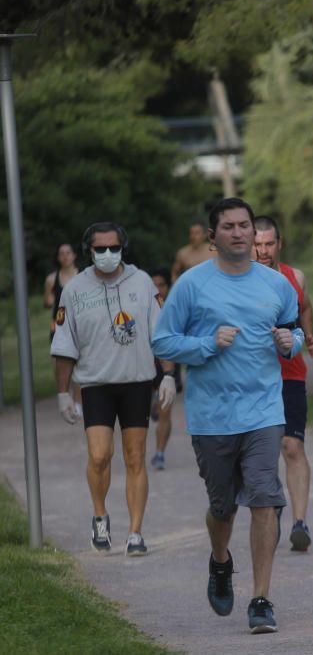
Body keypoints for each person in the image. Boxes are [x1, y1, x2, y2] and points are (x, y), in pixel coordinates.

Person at [153, 198, 303, 634]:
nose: (239, 233)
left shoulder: (276, 285)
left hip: (263, 411)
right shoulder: (192, 285)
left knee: (264, 499)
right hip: (211, 415)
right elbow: (163, 341)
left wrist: (287, 341)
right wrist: (204, 345)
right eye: (230, 227)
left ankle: (261, 599)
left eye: (245, 226)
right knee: (222, 507)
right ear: (213, 235)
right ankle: (220, 561)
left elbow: (294, 330)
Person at [50, 222, 176, 557]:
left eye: (114, 248)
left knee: (135, 457)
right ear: (88, 251)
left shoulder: (142, 282)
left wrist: (167, 374)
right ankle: (100, 514)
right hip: (96, 384)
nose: (108, 255)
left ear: (123, 248)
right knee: (100, 455)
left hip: (135, 381)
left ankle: (135, 532)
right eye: (100, 249)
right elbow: (63, 347)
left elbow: (160, 333)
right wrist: (63, 393)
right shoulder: (75, 290)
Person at [253, 215, 313, 552]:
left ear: (279, 243)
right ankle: (269, 510)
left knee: (292, 447)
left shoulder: (294, 277)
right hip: (252, 378)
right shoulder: (238, 279)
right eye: (257, 244)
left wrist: (309, 336)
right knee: (262, 451)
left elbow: (305, 306)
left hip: (290, 374)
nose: (263, 251)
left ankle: (300, 522)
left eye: (269, 243)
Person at [44, 242, 82, 418]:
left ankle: (78, 402)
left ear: (74, 255)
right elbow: (48, 302)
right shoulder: (52, 279)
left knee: (78, 365)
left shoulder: (82, 276)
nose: (65, 256)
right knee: (58, 365)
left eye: (68, 252)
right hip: (58, 326)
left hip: (78, 324)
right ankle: (64, 397)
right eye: (62, 253)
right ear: (58, 258)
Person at [148, 268, 180, 471]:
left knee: (166, 411)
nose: (158, 289)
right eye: (154, 285)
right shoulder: (141, 306)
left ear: (168, 287)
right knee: (153, 409)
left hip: (169, 365)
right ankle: (152, 404)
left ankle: (160, 453)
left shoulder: (176, 308)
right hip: (144, 365)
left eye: (161, 284)